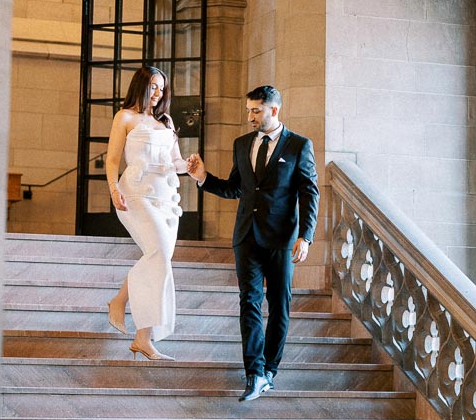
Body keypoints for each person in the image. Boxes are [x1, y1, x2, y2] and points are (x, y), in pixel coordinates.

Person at [187, 85, 319, 401]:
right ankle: (254, 373)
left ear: (274, 110)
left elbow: (309, 192)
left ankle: (270, 369)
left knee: (279, 305)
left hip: (281, 240)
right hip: (246, 236)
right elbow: (237, 188)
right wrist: (203, 178)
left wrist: (306, 236)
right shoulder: (242, 144)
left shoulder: (299, 145)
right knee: (248, 302)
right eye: (248, 110)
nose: (250, 116)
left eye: (256, 110)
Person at [104, 65, 190, 360]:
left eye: (162, 88)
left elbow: (176, 162)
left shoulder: (166, 120)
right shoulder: (124, 117)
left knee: (158, 257)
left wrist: (189, 165)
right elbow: (113, 160)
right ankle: (127, 313)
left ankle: (138, 330)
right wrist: (114, 190)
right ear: (141, 85)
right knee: (160, 252)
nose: (158, 93)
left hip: (167, 198)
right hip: (135, 194)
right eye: (153, 86)